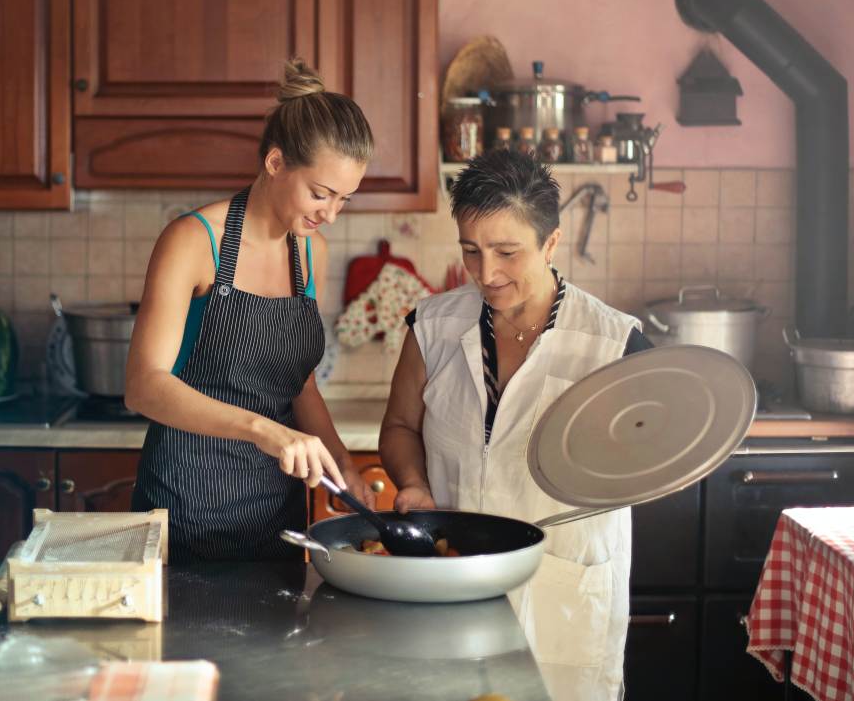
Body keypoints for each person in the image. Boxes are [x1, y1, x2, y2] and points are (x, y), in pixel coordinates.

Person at [379, 148, 652, 700]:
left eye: (507, 251)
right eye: (471, 251)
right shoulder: (432, 325)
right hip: (454, 584)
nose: (487, 273)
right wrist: (413, 482)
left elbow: (648, 462)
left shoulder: (614, 343)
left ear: (551, 243)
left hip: (563, 592)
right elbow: (401, 426)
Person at [125, 59, 377, 562]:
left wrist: (343, 464)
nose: (330, 213)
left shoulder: (311, 253)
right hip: (184, 509)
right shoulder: (194, 241)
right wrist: (263, 429)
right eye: (321, 193)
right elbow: (144, 386)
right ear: (276, 163)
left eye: (344, 199)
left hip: (277, 517)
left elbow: (299, 385)